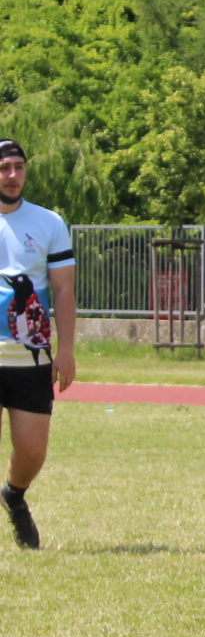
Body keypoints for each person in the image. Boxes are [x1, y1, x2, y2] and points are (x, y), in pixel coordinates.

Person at [0, 139, 76, 551]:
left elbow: (63, 291)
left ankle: (13, 495)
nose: (12, 176)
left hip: (31, 358)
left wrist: (66, 350)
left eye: (18, 167)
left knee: (31, 453)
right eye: (4, 168)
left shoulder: (49, 223)